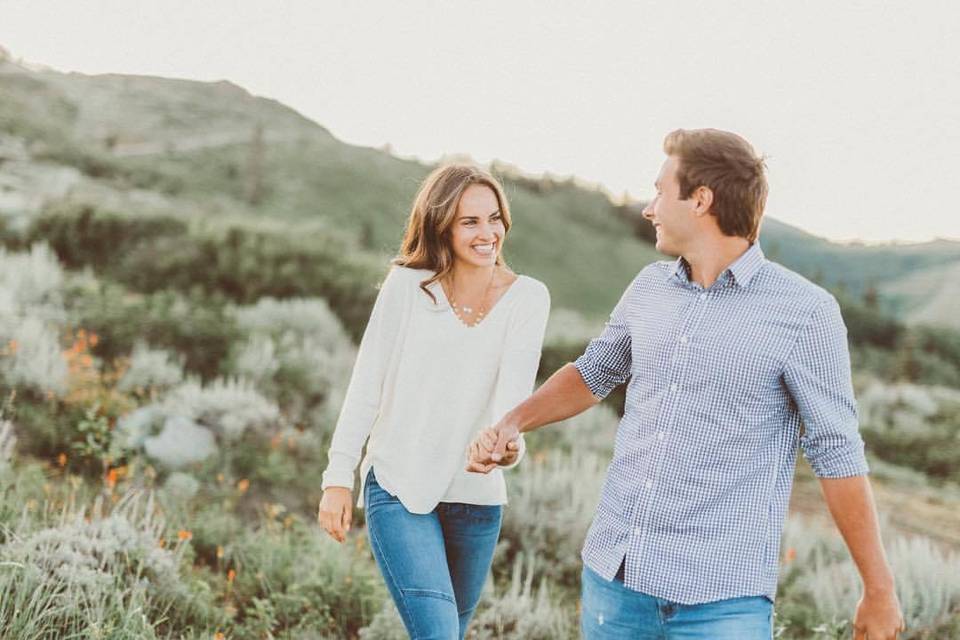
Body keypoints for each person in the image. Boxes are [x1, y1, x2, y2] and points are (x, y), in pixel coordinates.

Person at [467, 129, 905, 640]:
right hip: (616, 575)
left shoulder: (805, 313)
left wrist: (878, 588)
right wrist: (512, 423)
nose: (649, 208)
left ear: (701, 199)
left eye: (659, 191)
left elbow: (837, 453)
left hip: (722, 603)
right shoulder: (650, 287)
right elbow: (593, 374)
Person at [318, 164, 551, 639]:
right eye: (470, 222)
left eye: (494, 218)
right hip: (401, 488)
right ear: (441, 225)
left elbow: (512, 405)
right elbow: (366, 386)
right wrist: (338, 478)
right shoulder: (408, 286)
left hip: (476, 500)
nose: (488, 233)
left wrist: (508, 447)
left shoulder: (528, 299)